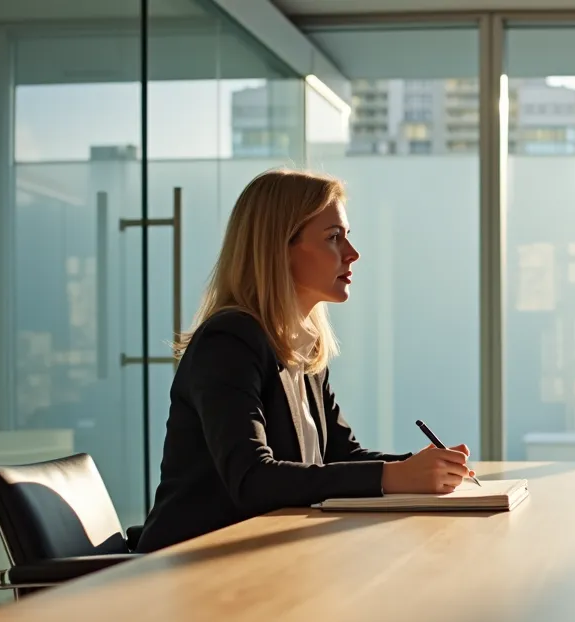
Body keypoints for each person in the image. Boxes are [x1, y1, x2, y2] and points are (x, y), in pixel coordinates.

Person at [137, 169, 474, 552]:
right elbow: (251, 479)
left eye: (347, 236)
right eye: (334, 238)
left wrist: (418, 466)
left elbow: (340, 455)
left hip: (264, 558)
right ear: (278, 247)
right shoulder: (228, 341)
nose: (352, 253)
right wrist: (394, 476)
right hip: (188, 569)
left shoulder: (302, 347)